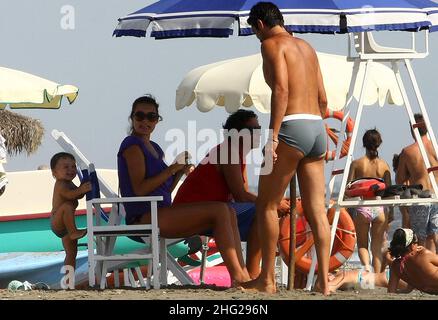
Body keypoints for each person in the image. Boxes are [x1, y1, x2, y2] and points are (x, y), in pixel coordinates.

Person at [241, 2, 331, 294]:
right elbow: (323, 99)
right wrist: (316, 126)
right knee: (317, 209)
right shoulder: (306, 46)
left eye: (254, 31)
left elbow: (281, 89)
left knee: (266, 204)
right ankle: (325, 282)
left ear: (260, 25)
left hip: (292, 126)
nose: (256, 37)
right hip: (317, 127)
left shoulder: (270, 45)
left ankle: (266, 280)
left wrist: (273, 136)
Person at [117, 94, 252, 285]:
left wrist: (178, 172)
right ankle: (239, 277)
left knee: (228, 210)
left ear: (157, 121)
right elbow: (140, 190)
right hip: (145, 217)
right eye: (140, 116)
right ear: (132, 118)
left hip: (160, 212)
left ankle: (243, 276)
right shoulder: (131, 145)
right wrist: (172, 168)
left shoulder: (154, 147)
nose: (145, 121)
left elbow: (164, 190)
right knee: (221, 210)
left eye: (151, 117)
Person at [174, 110, 290, 279]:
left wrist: (273, 202)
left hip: (205, 212)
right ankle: (252, 274)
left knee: (260, 213)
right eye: (253, 129)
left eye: (259, 128)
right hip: (190, 214)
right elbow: (241, 196)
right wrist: (272, 205)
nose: (258, 133)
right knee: (261, 213)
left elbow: (242, 194)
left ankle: (251, 274)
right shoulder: (229, 151)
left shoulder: (235, 152)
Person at [347, 129, 391, 273]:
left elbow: (348, 191)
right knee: (377, 247)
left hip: (363, 208)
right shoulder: (384, 165)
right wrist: (391, 215)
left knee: (362, 245)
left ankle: (367, 269)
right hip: (379, 208)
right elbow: (389, 192)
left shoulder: (356, 164)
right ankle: (377, 277)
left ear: (363, 144)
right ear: (379, 144)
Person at [396, 113, 438, 253]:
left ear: (412, 129)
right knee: (433, 236)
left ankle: (421, 271)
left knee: (419, 239)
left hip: (420, 198)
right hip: (436, 196)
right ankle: (432, 270)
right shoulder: (436, 147)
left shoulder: (408, 152)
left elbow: (400, 179)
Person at [50, 152, 91, 268]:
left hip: (66, 227)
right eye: (66, 167)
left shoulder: (69, 182)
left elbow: (78, 195)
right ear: (55, 172)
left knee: (71, 253)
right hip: (57, 221)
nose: (71, 170)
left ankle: (69, 280)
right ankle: (74, 232)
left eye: (73, 166)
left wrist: (83, 187)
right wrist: (81, 189)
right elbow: (70, 195)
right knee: (67, 206)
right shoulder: (61, 184)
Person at [387, 228, 438, 294]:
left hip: (431, 291)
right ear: (412, 245)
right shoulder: (423, 255)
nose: (418, 244)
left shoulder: (395, 266)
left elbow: (391, 292)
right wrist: (425, 251)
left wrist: (405, 290)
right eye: (416, 242)